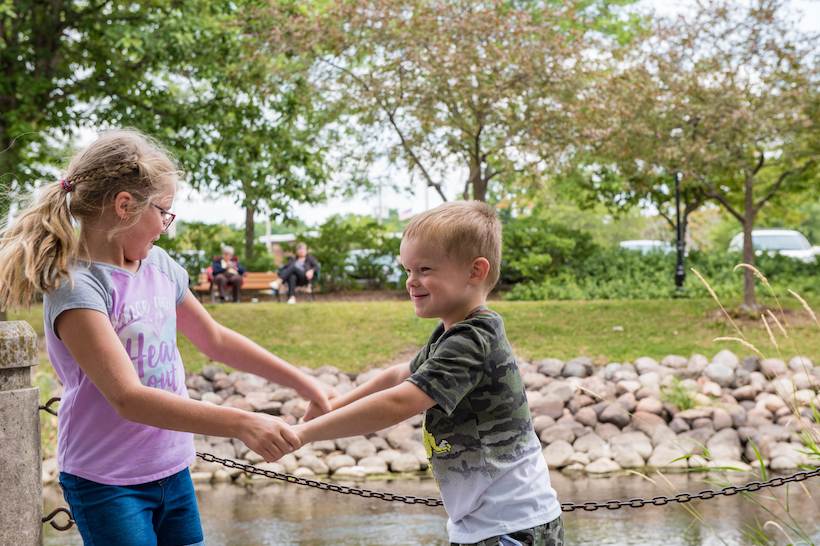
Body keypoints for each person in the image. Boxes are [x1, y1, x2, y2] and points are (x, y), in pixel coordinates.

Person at [0, 130, 332, 546]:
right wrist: (243, 423)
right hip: (106, 482)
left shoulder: (158, 264)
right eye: (164, 212)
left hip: (173, 470)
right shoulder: (77, 287)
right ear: (124, 206)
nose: (167, 228)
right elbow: (128, 398)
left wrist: (305, 383)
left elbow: (215, 339)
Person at [293, 201, 564, 546]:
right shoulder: (451, 333)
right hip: (488, 524)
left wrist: (302, 434)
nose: (411, 282)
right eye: (407, 270)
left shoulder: (472, 339)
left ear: (475, 272)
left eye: (424, 269)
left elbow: (399, 401)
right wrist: (335, 404)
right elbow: (397, 375)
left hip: (512, 526)